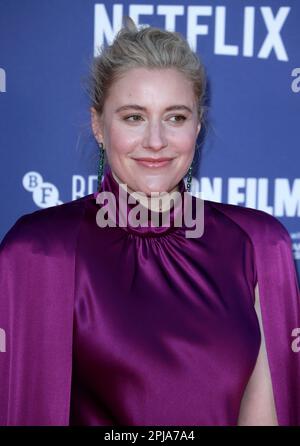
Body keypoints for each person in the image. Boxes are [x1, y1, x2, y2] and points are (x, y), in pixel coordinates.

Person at [0, 16, 300, 427]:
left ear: (197, 126)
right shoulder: (39, 249)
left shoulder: (259, 244)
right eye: (134, 117)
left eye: (175, 117)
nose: (156, 141)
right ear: (98, 126)